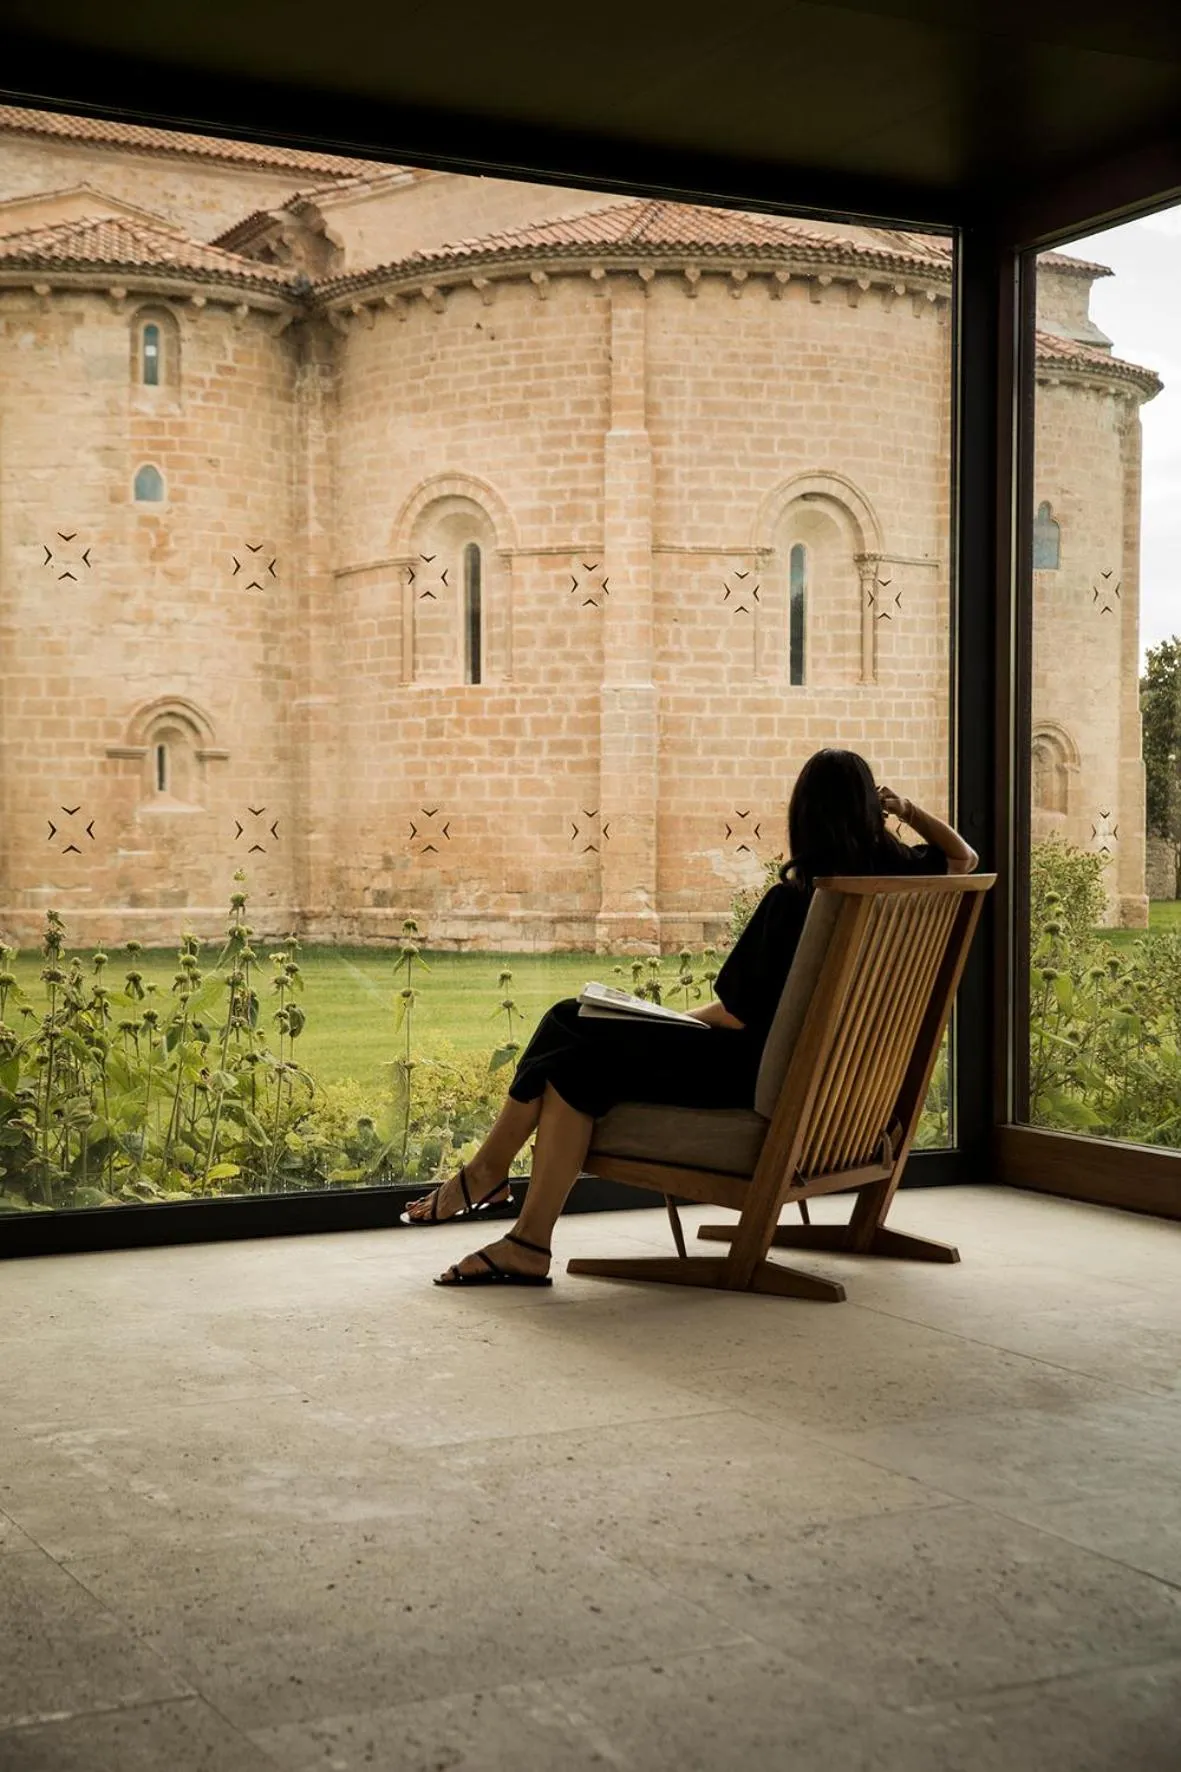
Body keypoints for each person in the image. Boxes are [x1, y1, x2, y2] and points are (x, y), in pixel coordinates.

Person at [405, 749, 978, 1286]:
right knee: (572, 1047)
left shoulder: (799, 901)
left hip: (754, 1075)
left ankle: (494, 1189)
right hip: (841, 1094)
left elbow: (733, 1014)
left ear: (802, 816)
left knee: (570, 1037)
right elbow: (965, 857)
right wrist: (906, 810)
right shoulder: (904, 887)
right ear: (868, 815)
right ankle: (515, 1221)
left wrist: (659, 1022)